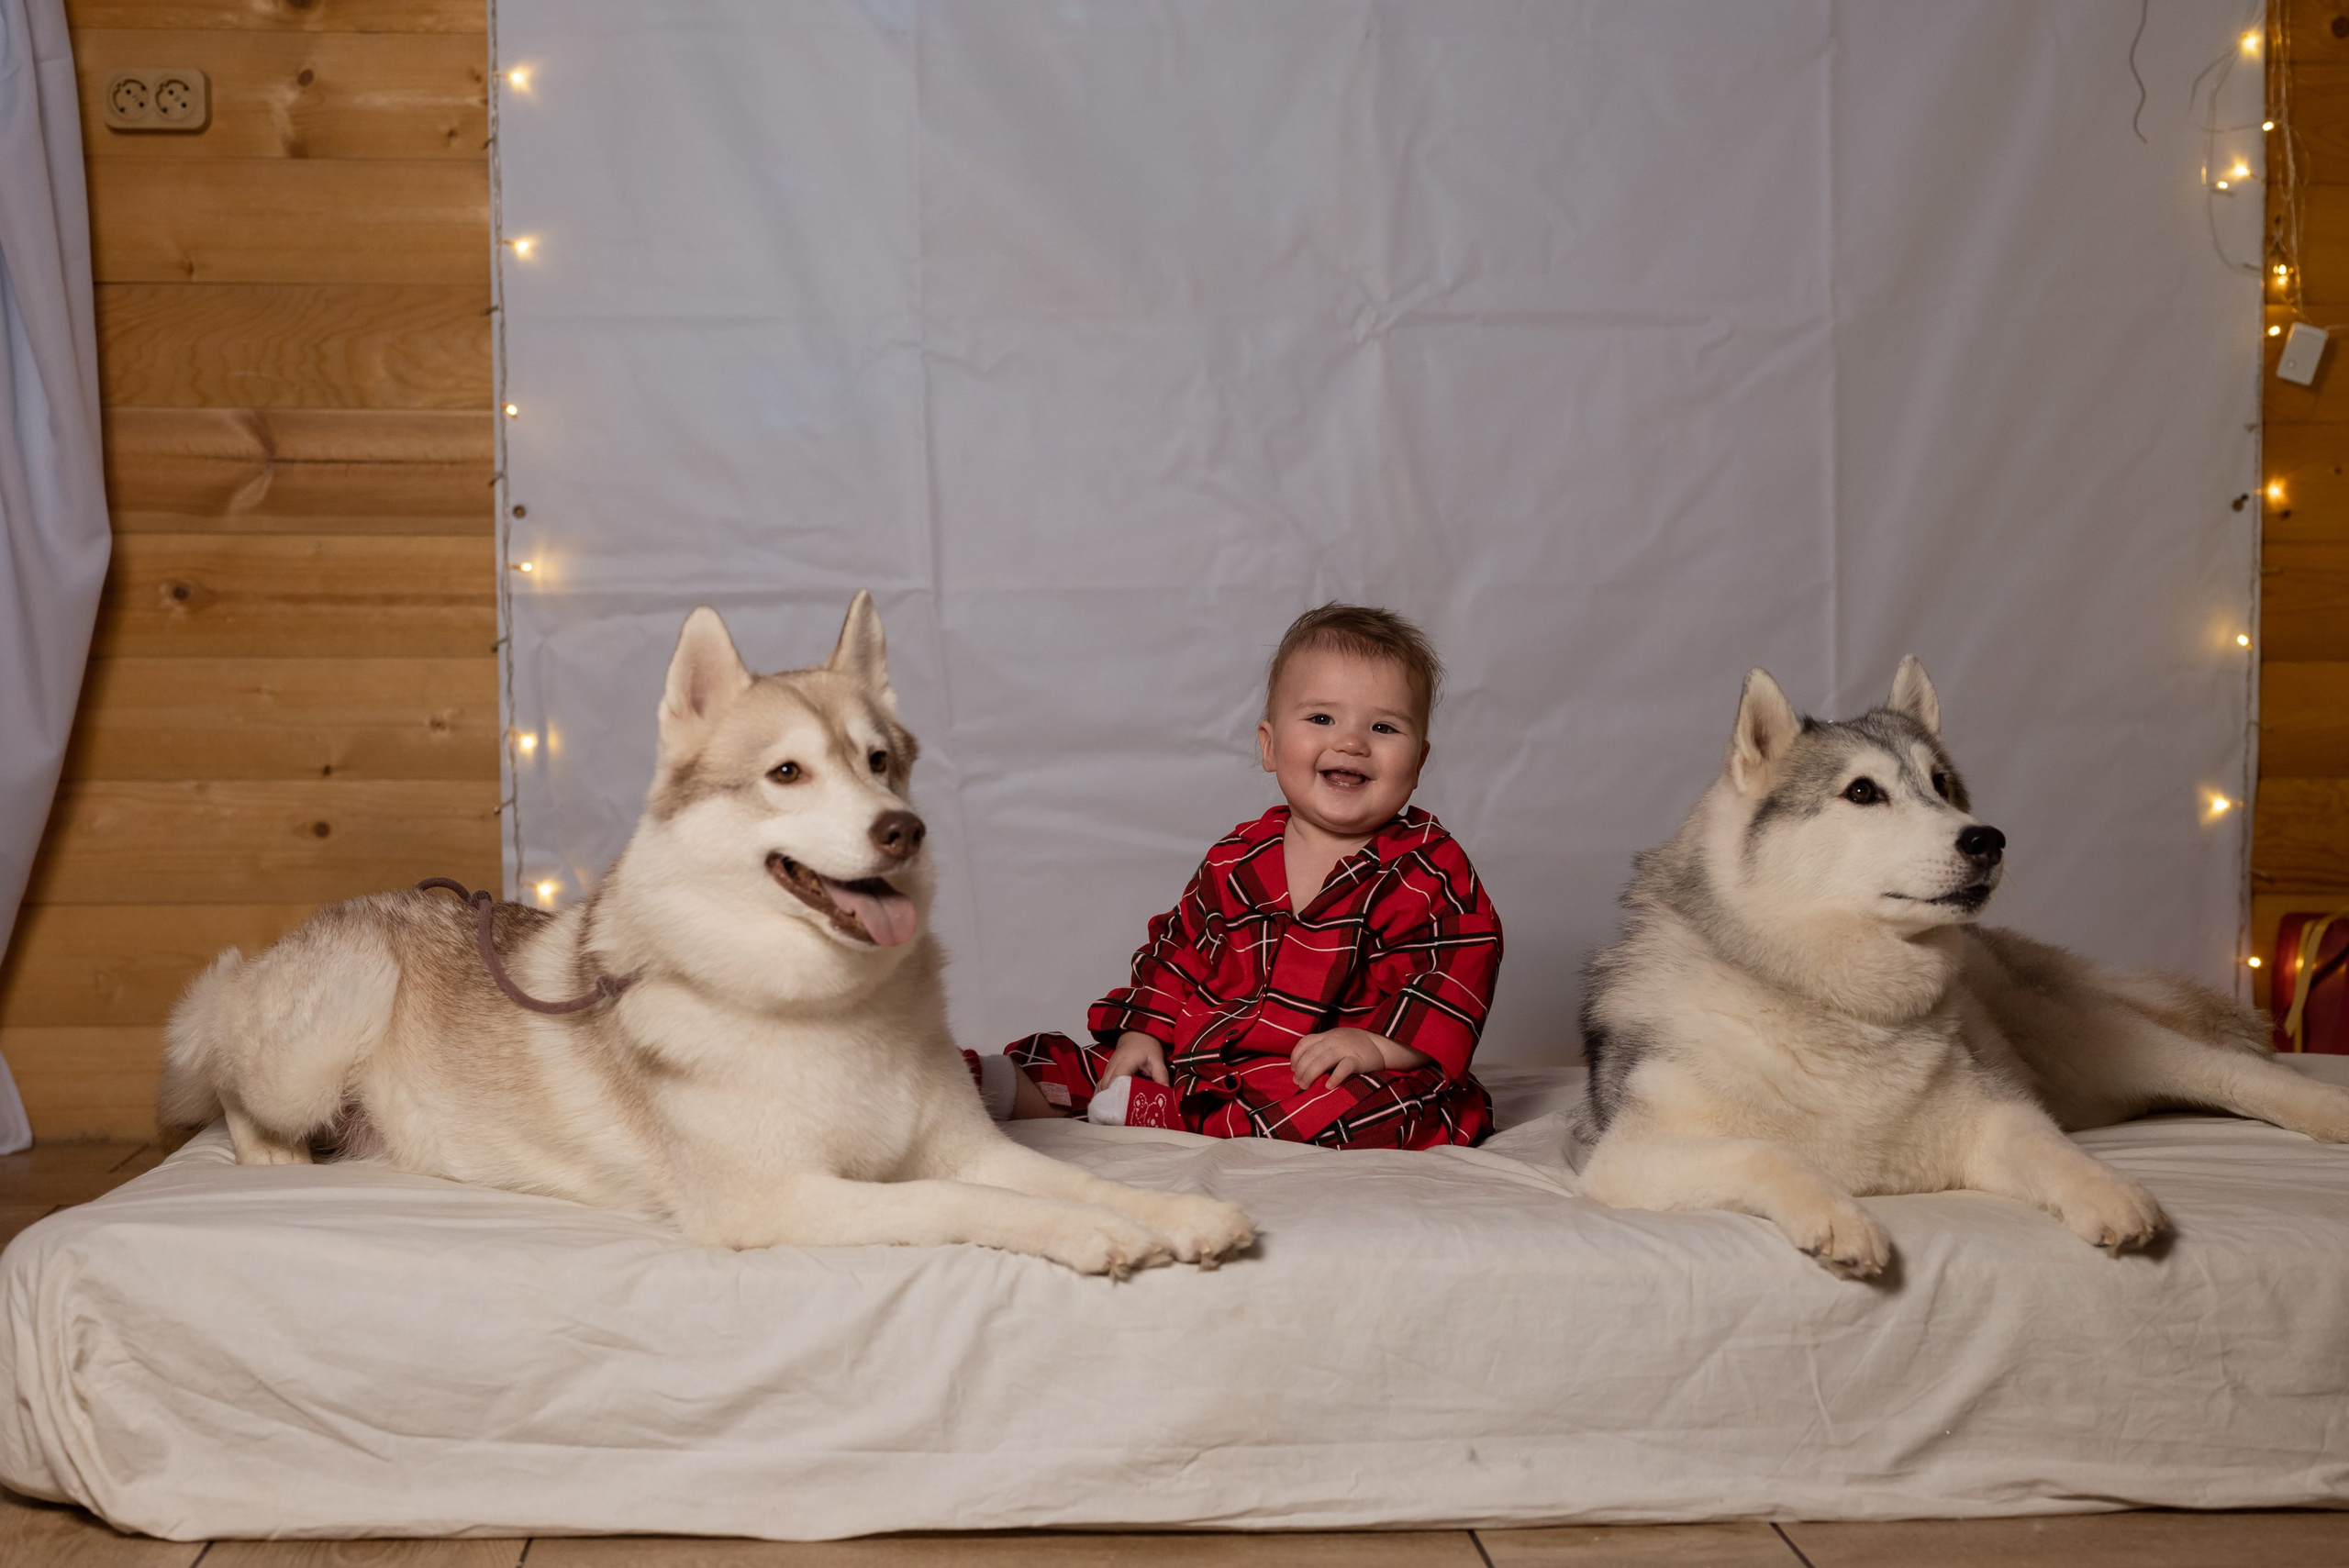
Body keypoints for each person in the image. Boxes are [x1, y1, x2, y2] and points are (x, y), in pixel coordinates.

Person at [971, 603, 1501, 1150]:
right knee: (1093, 1064)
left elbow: (1451, 980)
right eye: (1321, 718)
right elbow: (1178, 953)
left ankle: (1164, 1117)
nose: (1351, 742)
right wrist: (1144, 1031)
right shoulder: (1237, 858)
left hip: (1325, 1072)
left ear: (1417, 761)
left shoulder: (1427, 870)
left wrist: (1375, 1047)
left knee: (1381, 1111)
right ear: (1269, 746)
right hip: (1212, 1054)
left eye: (1384, 726)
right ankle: (982, 1087)